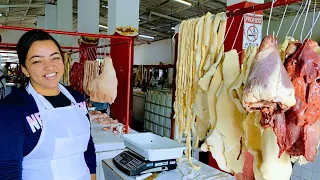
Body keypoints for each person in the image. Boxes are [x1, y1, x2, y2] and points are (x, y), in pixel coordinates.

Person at [0, 29, 96, 180]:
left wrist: (92, 176)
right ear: (25, 69)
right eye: (37, 61)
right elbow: (8, 170)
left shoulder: (77, 98)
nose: (49, 67)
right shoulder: (12, 109)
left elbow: (88, 147)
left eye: (55, 58)